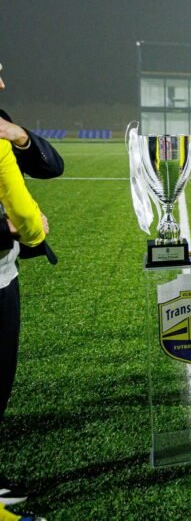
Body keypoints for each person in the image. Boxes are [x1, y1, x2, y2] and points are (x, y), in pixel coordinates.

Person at [0, 63, 61, 520]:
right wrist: (9, 227)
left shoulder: (0, 123)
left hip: (4, 274)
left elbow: (52, 166)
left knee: (0, 384)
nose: (2, 83)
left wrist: (18, 135)